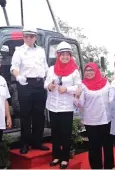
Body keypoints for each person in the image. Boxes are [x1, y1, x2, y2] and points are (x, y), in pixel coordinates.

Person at [10, 27, 49, 154]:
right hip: (25, 83)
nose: (28, 38)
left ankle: (37, 142)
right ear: (23, 37)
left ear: (35, 37)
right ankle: (25, 143)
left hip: (39, 84)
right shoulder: (19, 51)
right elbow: (13, 68)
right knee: (25, 115)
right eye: (26, 36)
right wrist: (18, 76)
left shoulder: (41, 51)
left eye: (31, 36)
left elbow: (45, 67)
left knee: (39, 114)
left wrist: (49, 78)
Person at [45, 41, 81, 169]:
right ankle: (56, 156)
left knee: (65, 133)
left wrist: (67, 89)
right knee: (55, 132)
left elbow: (79, 87)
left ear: (70, 56)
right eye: (62, 54)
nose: (65, 57)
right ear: (58, 55)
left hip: (66, 107)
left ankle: (65, 158)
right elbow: (46, 84)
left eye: (67, 54)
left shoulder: (74, 71)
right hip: (53, 106)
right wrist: (49, 86)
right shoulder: (51, 69)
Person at [74, 62, 114, 169]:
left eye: (91, 70)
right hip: (91, 121)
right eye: (87, 70)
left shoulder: (106, 82)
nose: (89, 73)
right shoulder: (82, 85)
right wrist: (77, 97)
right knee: (94, 147)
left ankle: (109, 167)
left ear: (96, 70)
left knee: (108, 146)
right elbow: (80, 104)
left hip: (106, 119)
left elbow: (112, 98)